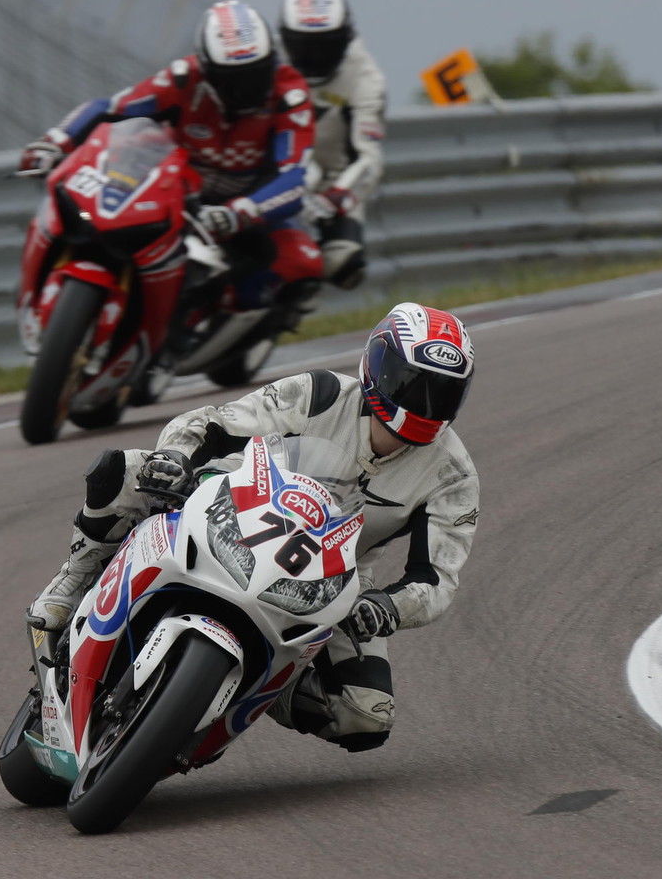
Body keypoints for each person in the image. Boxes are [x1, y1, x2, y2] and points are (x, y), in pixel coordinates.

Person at [24, 303, 480, 751]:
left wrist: (389, 607)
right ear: (378, 365)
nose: (423, 404)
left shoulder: (453, 476)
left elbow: (436, 579)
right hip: (230, 504)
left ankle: (264, 687)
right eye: (411, 383)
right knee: (124, 469)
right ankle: (75, 578)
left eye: (442, 392)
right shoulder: (319, 393)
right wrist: (176, 457)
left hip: (333, 577)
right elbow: (211, 422)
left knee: (364, 715)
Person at [18, 0, 323, 324]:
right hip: (176, 192)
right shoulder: (182, 78)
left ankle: (210, 315)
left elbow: (293, 179)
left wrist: (239, 212)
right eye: (232, 78)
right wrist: (55, 141)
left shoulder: (290, 95)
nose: (246, 89)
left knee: (303, 262)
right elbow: (111, 108)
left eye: (257, 74)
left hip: (248, 205)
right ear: (207, 69)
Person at [278, 0, 388, 291]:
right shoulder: (269, 61)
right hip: (271, 169)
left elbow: (370, 158)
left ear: (344, 38)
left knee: (344, 265)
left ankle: (292, 306)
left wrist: (336, 196)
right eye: (303, 45)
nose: (313, 56)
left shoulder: (366, 79)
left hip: (332, 182)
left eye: (324, 46)